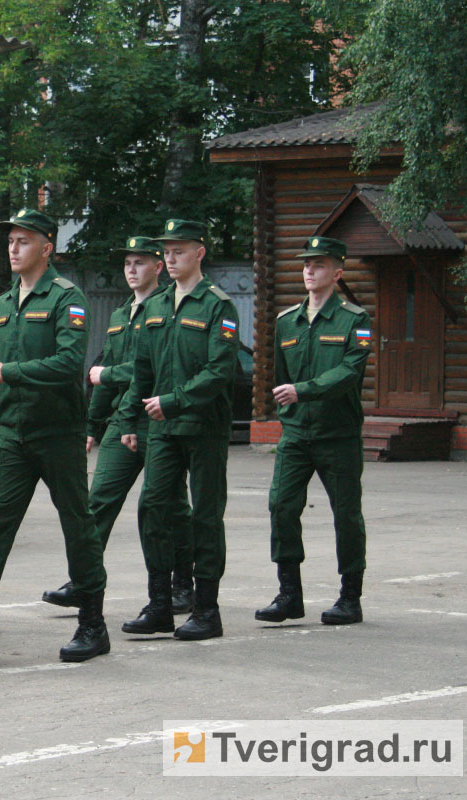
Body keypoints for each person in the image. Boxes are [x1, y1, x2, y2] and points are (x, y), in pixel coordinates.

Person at [0, 208, 109, 663]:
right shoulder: (1, 305)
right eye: (10, 242)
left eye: (24, 241)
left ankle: (92, 624)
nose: (14, 248)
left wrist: (10, 372)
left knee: (76, 525)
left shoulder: (67, 298)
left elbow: (68, 364)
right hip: (14, 433)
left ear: (47, 247)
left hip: (58, 432)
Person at [42, 237, 195, 613]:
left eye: (140, 263)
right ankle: (84, 579)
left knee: (168, 508)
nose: (131, 270)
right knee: (97, 501)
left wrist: (107, 375)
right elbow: (106, 372)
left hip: (159, 420)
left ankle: (182, 585)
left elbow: (149, 369)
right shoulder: (118, 315)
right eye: (127, 263)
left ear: (158, 268)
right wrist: (92, 425)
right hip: (121, 421)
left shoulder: (167, 310)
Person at [115, 219, 238, 641]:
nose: (170, 259)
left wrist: (175, 401)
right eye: (166, 252)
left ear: (200, 253)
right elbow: (141, 370)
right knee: (154, 508)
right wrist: (131, 418)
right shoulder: (156, 306)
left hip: (202, 427)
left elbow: (221, 369)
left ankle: (206, 609)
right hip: (161, 428)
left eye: (179, 251)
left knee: (205, 516)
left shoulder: (218, 305)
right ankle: (161, 604)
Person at [256, 235, 371, 626]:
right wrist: (290, 405)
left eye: (319, 264)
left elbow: (348, 374)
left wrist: (302, 391)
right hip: (296, 435)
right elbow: (280, 376)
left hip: (337, 435)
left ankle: (350, 597)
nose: (309, 270)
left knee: (346, 515)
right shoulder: (286, 321)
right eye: (306, 264)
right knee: (281, 506)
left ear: (337, 273)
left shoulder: (355, 320)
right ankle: (289, 594)